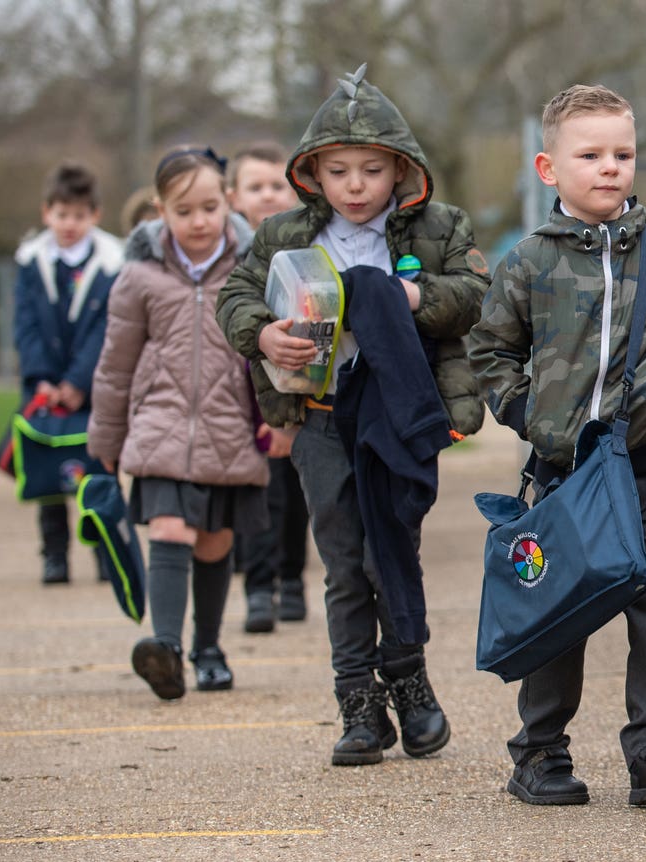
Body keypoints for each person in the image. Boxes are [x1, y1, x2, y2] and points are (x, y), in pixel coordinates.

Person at [469, 84, 646, 808]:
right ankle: (540, 754)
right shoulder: (529, 262)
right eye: (589, 155)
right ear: (549, 167)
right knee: (560, 613)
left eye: (622, 154)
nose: (610, 167)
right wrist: (529, 414)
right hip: (565, 478)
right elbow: (489, 351)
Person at [217, 65, 489, 767]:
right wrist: (263, 332)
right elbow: (236, 298)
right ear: (312, 173)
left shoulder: (439, 227)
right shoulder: (283, 235)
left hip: (397, 414)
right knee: (342, 562)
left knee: (388, 549)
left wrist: (413, 297)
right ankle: (358, 704)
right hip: (321, 416)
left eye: (373, 169)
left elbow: (471, 296)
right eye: (339, 171)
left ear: (402, 170)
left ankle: (409, 680)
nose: (357, 185)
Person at [88, 146, 268, 701]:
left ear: (227, 204)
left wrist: (280, 423)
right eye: (184, 210)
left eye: (210, 207)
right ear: (160, 211)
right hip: (158, 425)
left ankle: (207, 648)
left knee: (214, 543)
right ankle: (164, 648)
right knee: (169, 528)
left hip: (229, 427)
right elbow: (115, 365)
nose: (199, 221)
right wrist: (106, 435)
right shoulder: (138, 277)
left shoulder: (252, 267)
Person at [13, 161, 123, 585]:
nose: (69, 224)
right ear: (47, 214)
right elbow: (26, 325)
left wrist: (78, 382)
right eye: (61, 215)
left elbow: (108, 329)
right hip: (45, 386)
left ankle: (103, 548)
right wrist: (42, 377)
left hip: (93, 388)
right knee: (49, 469)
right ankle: (54, 554)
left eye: (78, 215)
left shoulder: (112, 263)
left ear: (94, 215)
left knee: (98, 470)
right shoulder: (31, 261)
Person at [225, 140, 309, 634]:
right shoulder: (227, 255)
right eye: (254, 187)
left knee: (290, 489)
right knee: (250, 493)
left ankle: (291, 578)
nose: (266, 195)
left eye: (276, 185)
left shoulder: (303, 252)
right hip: (234, 395)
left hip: (287, 390)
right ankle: (258, 586)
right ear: (234, 196)